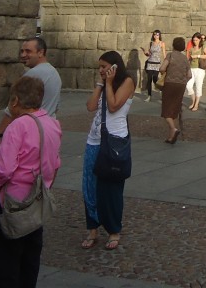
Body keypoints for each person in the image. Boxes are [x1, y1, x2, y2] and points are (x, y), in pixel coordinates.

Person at [0, 76, 61, 288]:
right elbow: (55, 164)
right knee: (29, 266)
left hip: (12, 205)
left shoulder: (17, 126)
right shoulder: (52, 124)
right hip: (35, 205)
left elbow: (3, 171)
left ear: (15, 100)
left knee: (5, 269)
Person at [82, 51, 134, 251]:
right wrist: (100, 84)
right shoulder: (104, 84)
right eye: (100, 67)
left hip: (114, 141)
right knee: (89, 187)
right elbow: (90, 106)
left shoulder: (127, 81)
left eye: (104, 66)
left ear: (114, 66)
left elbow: (113, 106)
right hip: (94, 139)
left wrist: (110, 83)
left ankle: (113, 230)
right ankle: (92, 228)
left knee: (111, 189)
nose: (101, 70)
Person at [0, 36, 61, 151]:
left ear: (40, 52)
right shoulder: (54, 73)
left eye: (28, 51)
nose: (23, 55)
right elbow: (56, 106)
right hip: (49, 130)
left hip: (30, 132)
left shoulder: (33, 74)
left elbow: (13, 108)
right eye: (22, 51)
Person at [159, 37, 191, 144]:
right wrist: (183, 80)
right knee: (174, 109)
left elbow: (162, 68)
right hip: (181, 85)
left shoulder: (170, 55)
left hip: (170, 84)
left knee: (166, 109)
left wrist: (167, 73)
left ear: (173, 45)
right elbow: (189, 75)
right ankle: (171, 136)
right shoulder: (185, 59)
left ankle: (173, 129)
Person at [184, 33, 206, 111]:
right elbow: (188, 58)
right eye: (194, 40)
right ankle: (193, 101)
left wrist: (197, 56)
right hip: (192, 68)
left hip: (200, 69)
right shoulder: (191, 48)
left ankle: (196, 105)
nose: (195, 41)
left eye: (196, 40)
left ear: (199, 40)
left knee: (198, 87)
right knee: (188, 85)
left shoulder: (203, 47)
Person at [138, 30, 166, 102]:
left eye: (157, 35)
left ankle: (161, 90)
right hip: (150, 62)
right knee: (149, 79)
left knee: (155, 79)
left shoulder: (162, 43)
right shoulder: (151, 43)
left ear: (159, 35)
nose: (155, 36)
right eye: (154, 35)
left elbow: (164, 54)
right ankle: (149, 96)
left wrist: (165, 64)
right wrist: (145, 52)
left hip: (157, 64)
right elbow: (149, 54)